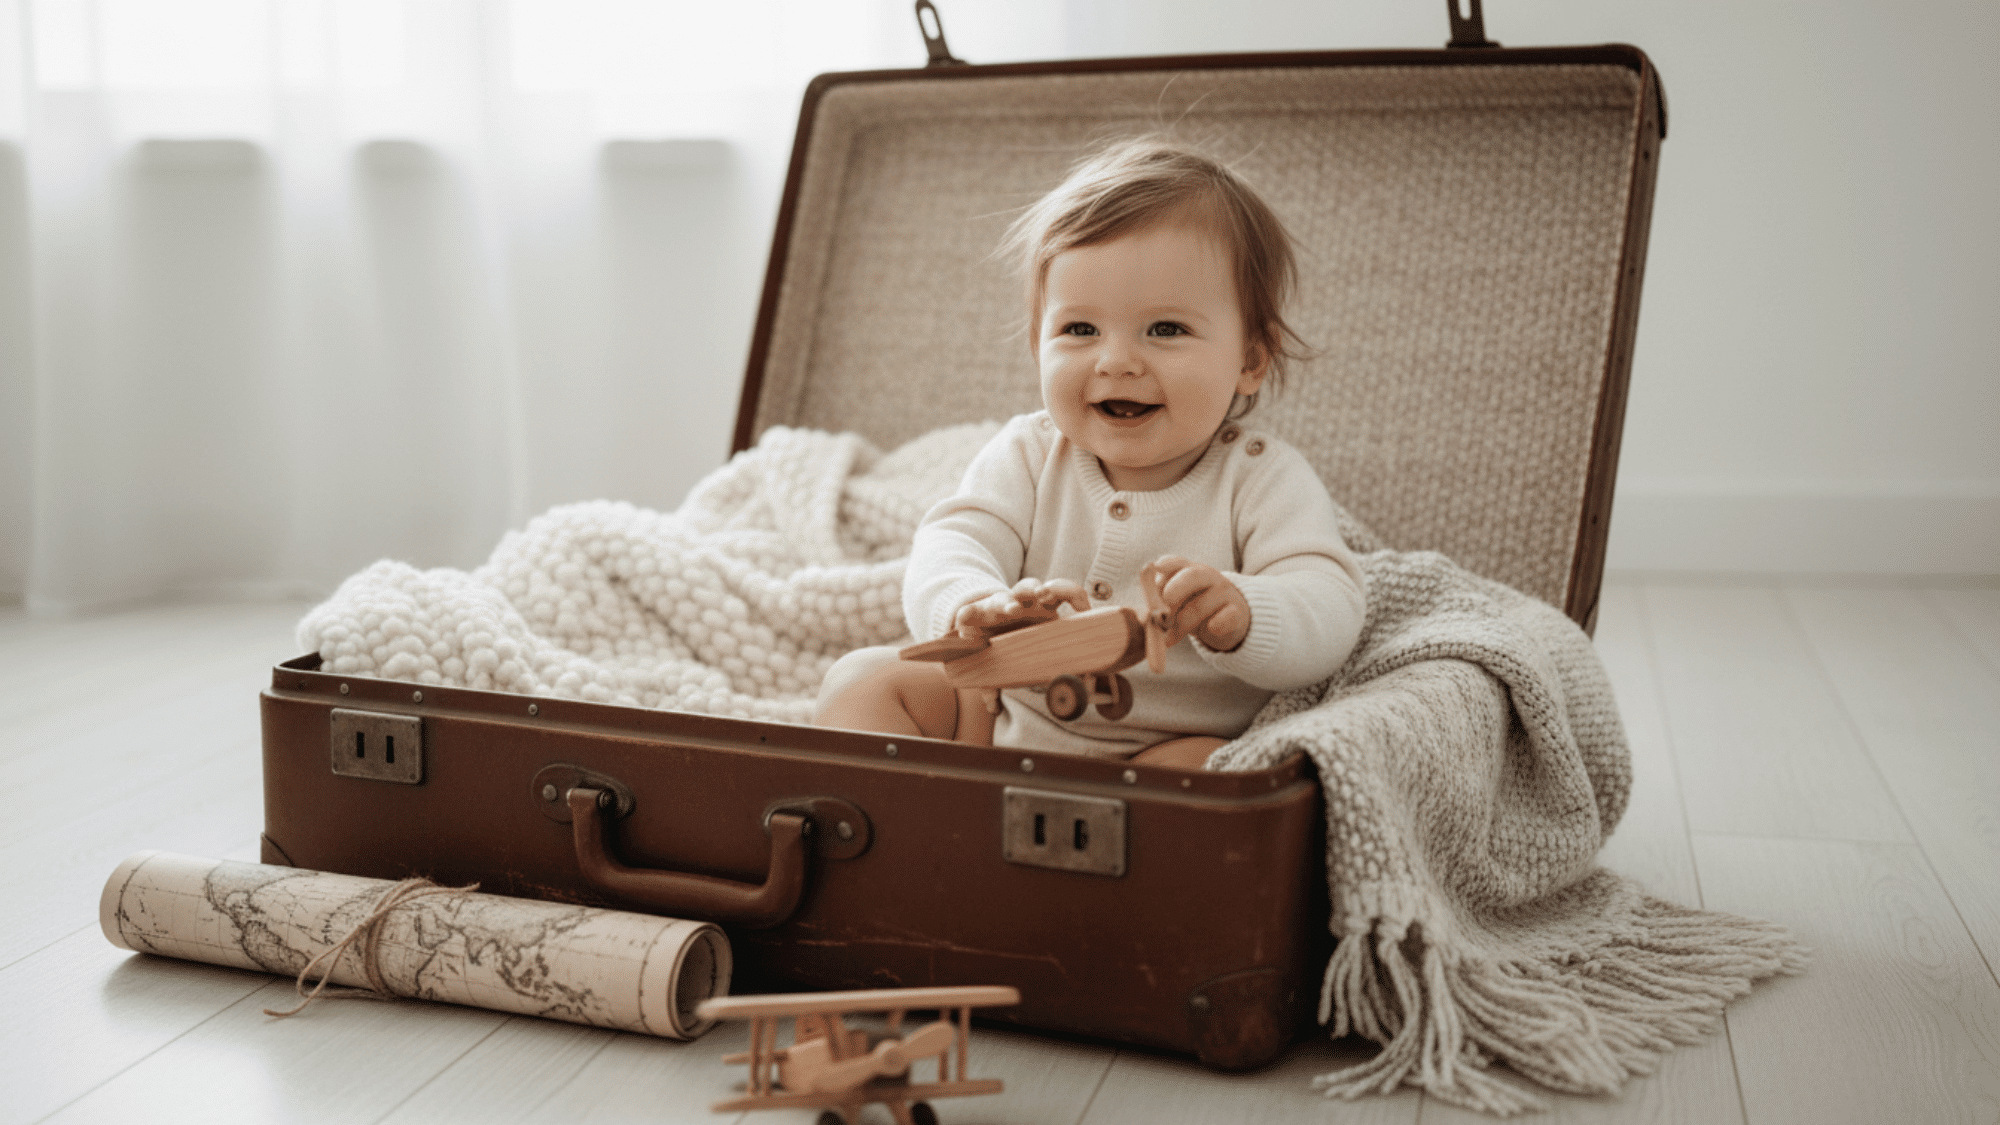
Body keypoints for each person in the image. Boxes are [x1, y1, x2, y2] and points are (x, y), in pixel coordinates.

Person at [813, 138, 1366, 768]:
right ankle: (909, 826)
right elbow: (952, 542)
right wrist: (971, 607)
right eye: (1080, 329)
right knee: (861, 682)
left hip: (1163, 749)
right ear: (1037, 345)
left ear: (1249, 360)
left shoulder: (1262, 479)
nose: (1117, 361)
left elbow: (1330, 604)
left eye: (1166, 329)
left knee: (1218, 773)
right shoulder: (1028, 454)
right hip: (1000, 721)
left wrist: (1244, 612)